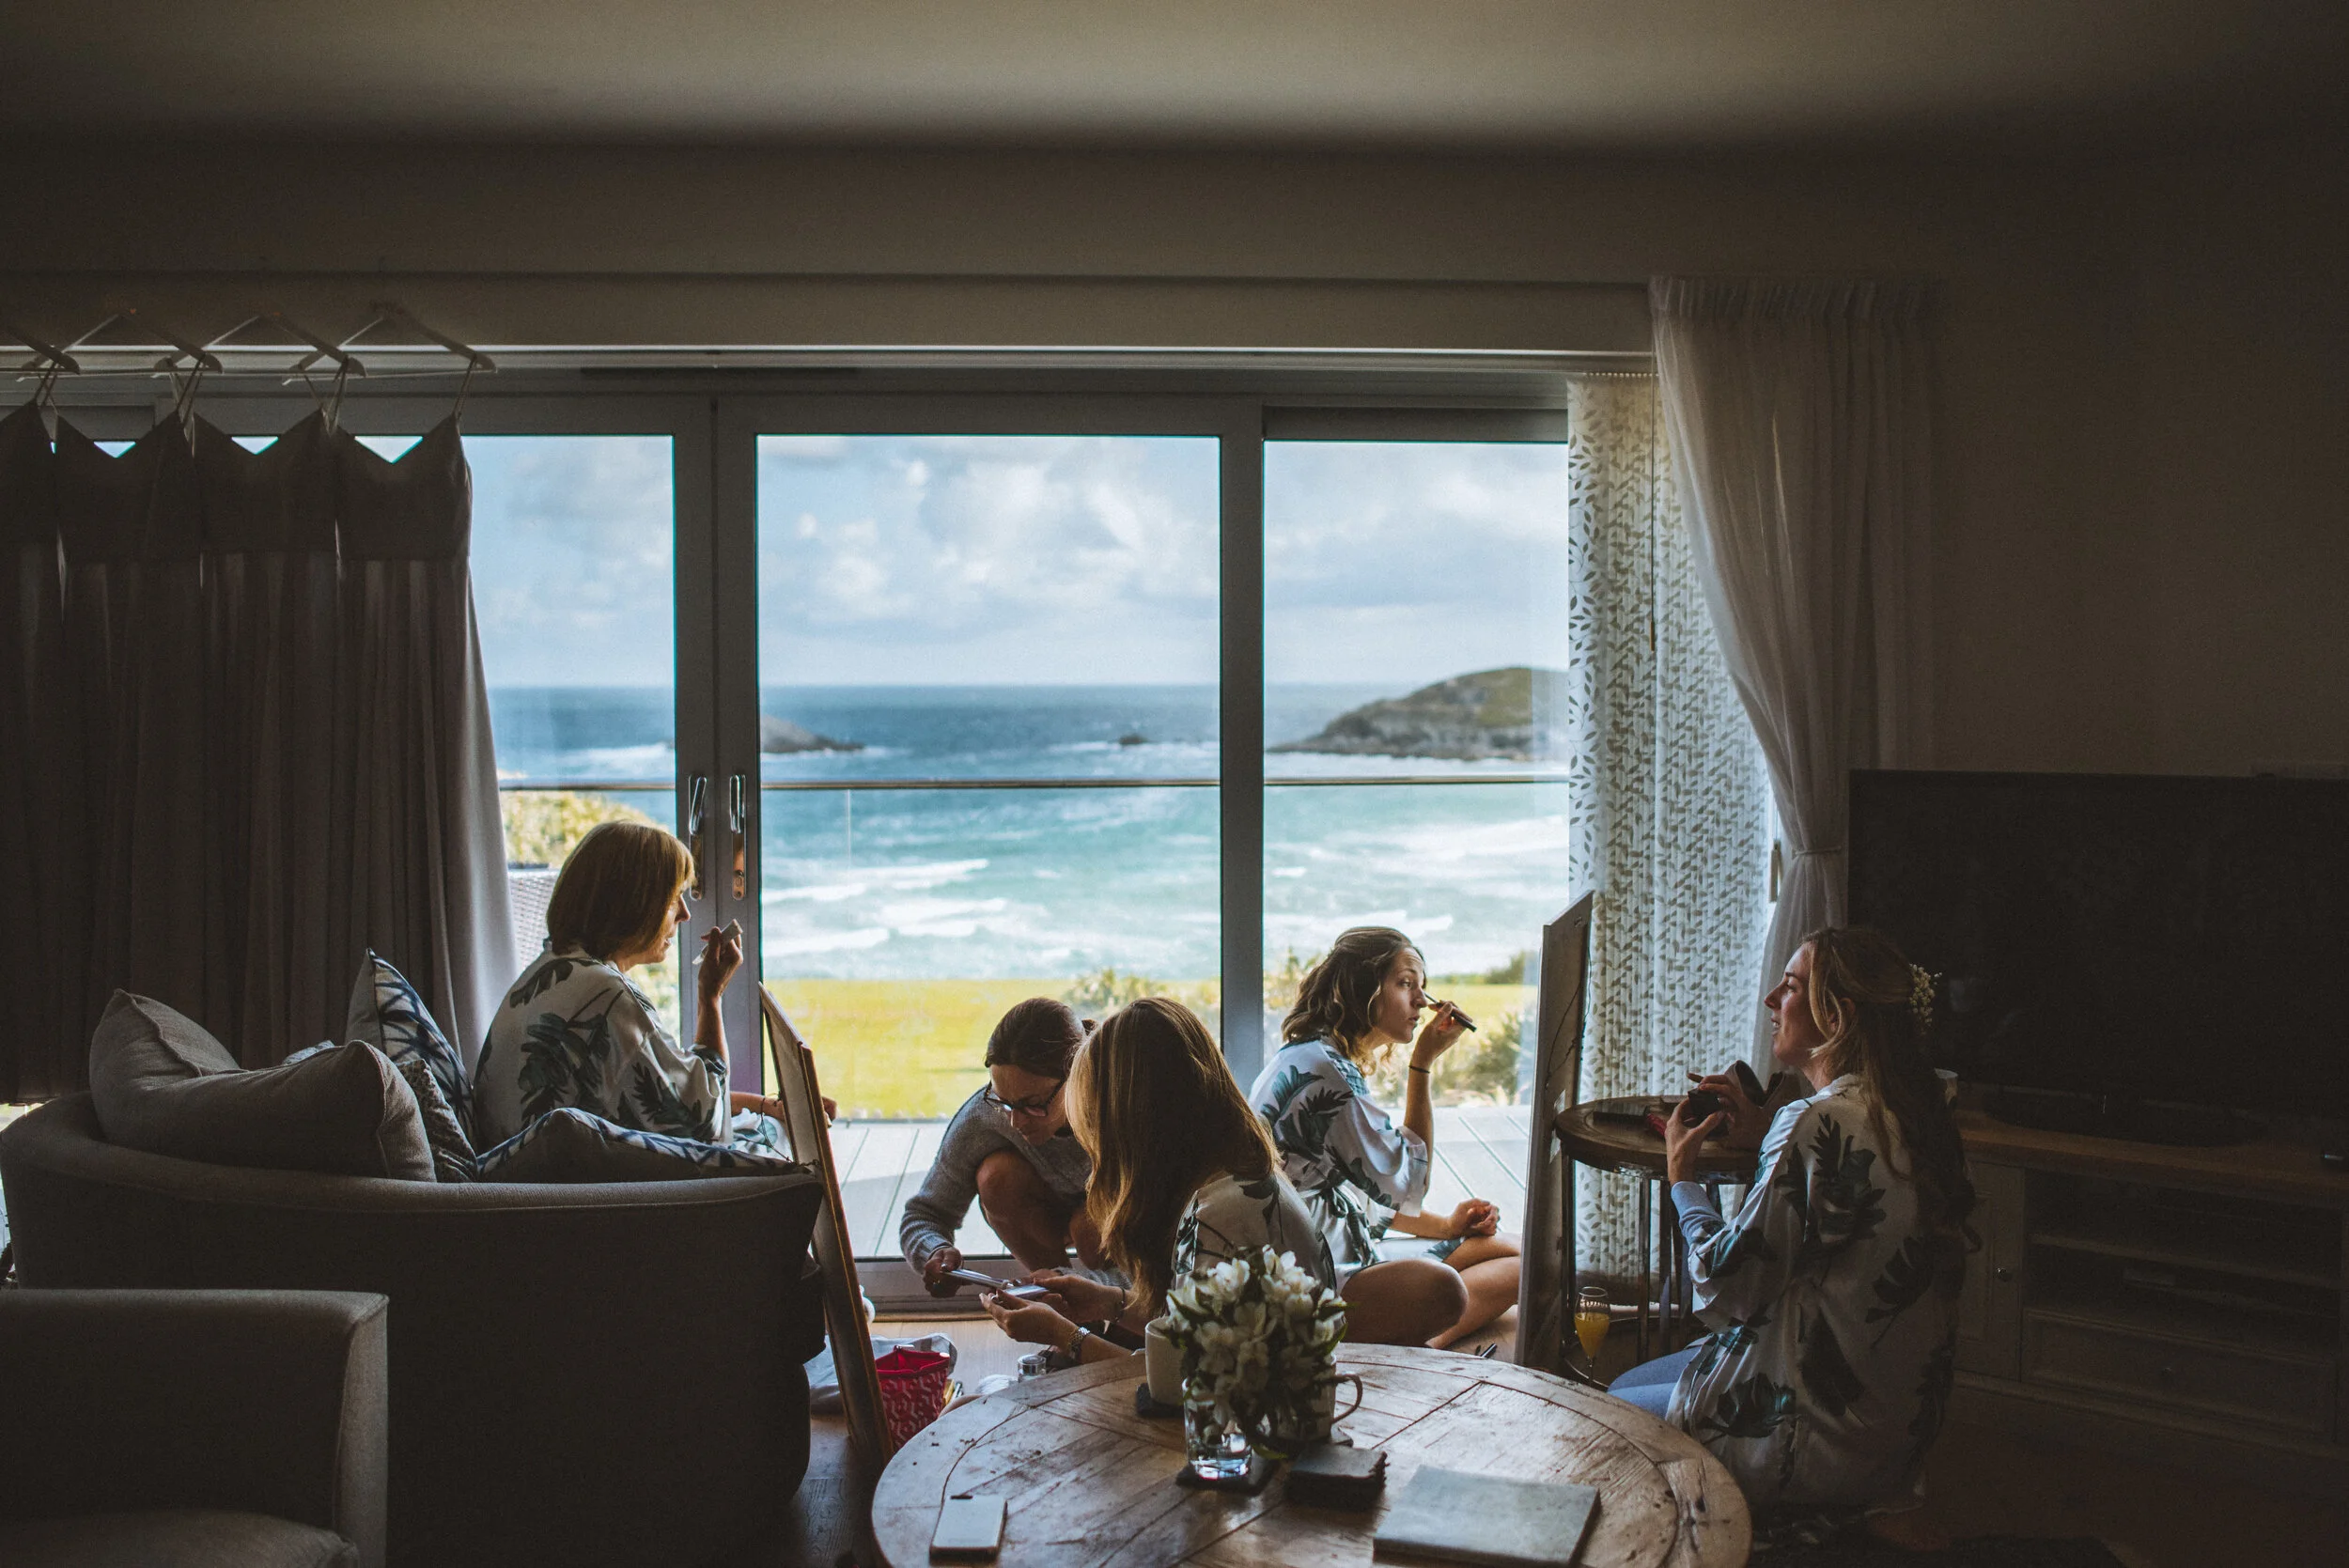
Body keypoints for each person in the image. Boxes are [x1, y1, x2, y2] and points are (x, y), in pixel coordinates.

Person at [1610, 927, 1974, 1532]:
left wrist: (1682, 1174)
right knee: (1631, 1381)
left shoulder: (1815, 1120)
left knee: (1614, 1413)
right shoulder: (1914, 1107)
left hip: (1814, 1437)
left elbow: (1723, 1281)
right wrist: (1766, 1144)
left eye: (1791, 987)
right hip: (1889, 1427)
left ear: (1838, 1015)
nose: (1770, 1001)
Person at [982, 996, 1335, 1366]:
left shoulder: (1218, 1221)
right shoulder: (1235, 1183)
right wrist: (1109, 1302)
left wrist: (1063, 1336)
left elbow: (1179, 1389)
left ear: (1131, 1124)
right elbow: (1196, 1328)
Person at [1248, 927, 1522, 1348]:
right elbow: (1411, 1182)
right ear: (1364, 988)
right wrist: (1423, 1064)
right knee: (1513, 1270)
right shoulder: (1330, 1076)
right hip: (1321, 1279)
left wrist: (1448, 1225)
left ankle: (1411, 1336)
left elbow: (1365, 1190)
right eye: (1405, 983)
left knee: (1515, 1249)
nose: (1421, 1002)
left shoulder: (1310, 1055)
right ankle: (1418, 1347)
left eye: (1422, 987)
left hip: (1335, 1246)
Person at [474, 821, 781, 1148]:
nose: (685, 914)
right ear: (634, 904)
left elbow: (665, 1094)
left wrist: (765, 1106)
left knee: (773, 1127)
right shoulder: (607, 998)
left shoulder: (549, 973)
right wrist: (711, 998)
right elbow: (706, 1122)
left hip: (529, 1183)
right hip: (581, 1196)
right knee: (784, 1146)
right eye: (674, 897)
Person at [900, 998, 1116, 1293]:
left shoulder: (1122, 1105)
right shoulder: (985, 1115)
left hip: (1124, 1220)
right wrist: (934, 1252)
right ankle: (1066, 1311)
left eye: (1032, 1105)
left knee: (1089, 1230)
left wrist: (1102, 1293)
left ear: (1078, 1076)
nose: (1015, 1122)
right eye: (1004, 1102)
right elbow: (924, 1214)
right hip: (1051, 1215)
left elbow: (1171, 1238)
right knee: (996, 1177)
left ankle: (1120, 1320)